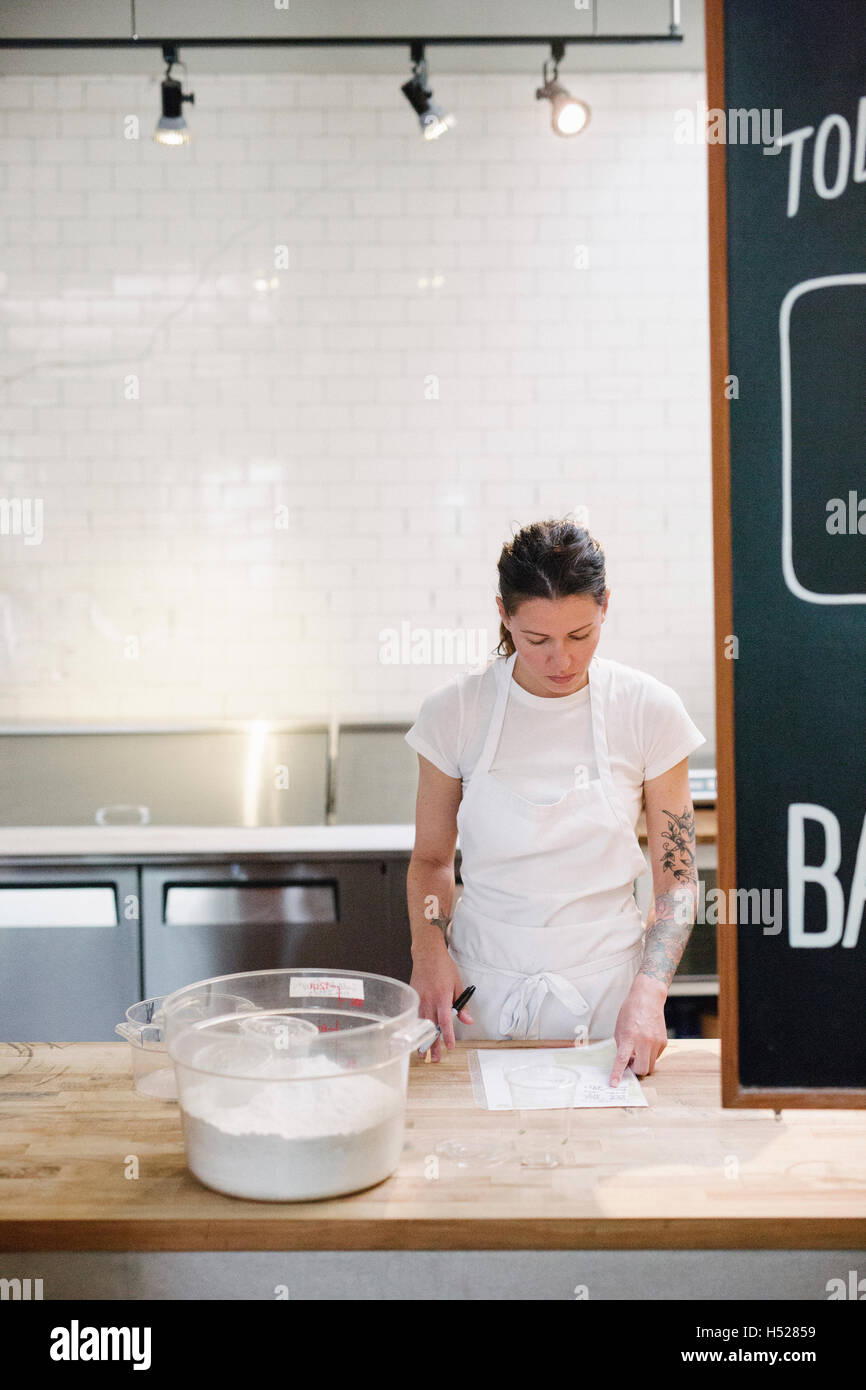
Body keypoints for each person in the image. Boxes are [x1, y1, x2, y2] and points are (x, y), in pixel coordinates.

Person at [404, 518, 705, 1086]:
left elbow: (679, 880)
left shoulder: (648, 710)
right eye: (537, 640)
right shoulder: (455, 713)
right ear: (504, 614)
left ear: (605, 607)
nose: (562, 661)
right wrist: (428, 952)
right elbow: (432, 862)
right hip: (480, 997)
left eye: (581, 635)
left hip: (609, 1003)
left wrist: (650, 990)